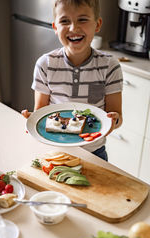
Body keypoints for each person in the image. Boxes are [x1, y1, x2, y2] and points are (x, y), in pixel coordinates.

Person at [22, 0, 123, 161]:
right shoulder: (45, 64)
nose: (73, 28)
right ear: (55, 27)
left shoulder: (110, 66)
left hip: (94, 153)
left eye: (82, 19)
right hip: (55, 151)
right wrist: (32, 119)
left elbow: (117, 118)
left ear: (97, 25)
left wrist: (113, 119)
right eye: (64, 21)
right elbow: (40, 113)